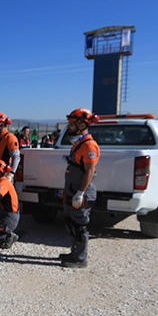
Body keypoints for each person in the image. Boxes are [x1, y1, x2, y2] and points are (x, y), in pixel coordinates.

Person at [60, 108, 100, 268]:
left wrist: (80, 193)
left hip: (80, 191)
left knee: (80, 225)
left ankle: (80, 258)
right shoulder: (79, 144)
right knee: (71, 222)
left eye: (71, 123)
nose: (69, 126)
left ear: (82, 124)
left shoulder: (89, 146)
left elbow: (90, 171)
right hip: (72, 189)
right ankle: (74, 252)